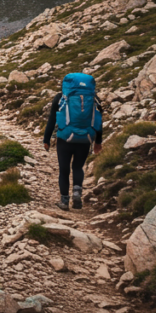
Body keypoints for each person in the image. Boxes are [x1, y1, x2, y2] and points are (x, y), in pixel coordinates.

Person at [43, 72, 103, 210]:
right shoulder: (94, 98)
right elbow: (98, 122)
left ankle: (64, 201)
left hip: (65, 138)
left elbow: (52, 120)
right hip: (86, 138)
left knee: (64, 170)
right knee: (77, 167)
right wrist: (98, 142)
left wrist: (46, 139)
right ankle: (77, 196)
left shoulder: (60, 98)